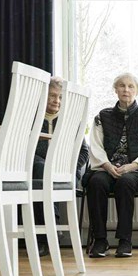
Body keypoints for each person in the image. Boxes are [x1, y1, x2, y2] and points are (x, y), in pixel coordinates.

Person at [83, 73, 138, 258]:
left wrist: (131, 166)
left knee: (125, 182)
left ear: (137, 90)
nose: (126, 90)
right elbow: (95, 146)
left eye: (130, 86)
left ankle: (125, 240)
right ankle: (100, 240)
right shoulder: (102, 116)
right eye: (121, 86)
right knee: (96, 183)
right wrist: (107, 165)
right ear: (115, 90)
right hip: (106, 167)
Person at [33, 76, 90, 256]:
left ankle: (46, 236)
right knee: (41, 171)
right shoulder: (30, 119)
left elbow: (84, 152)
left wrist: (68, 168)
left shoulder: (71, 122)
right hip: (36, 172)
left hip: (64, 172)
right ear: (42, 96)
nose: (56, 100)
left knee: (45, 175)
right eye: (52, 96)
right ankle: (49, 233)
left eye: (60, 97)